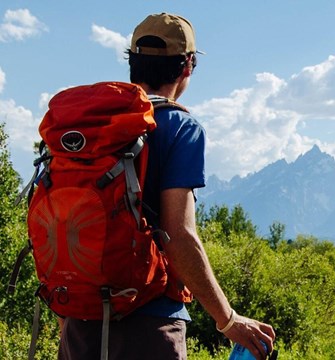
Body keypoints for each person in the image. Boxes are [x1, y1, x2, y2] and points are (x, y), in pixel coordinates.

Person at [58, 13, 276, 360]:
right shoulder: (180, 127)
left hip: (78, 322)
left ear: (132, 63)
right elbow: (179, 234)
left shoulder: (94, 127)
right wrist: (228, 320)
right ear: (188, 66)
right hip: (150, 322)